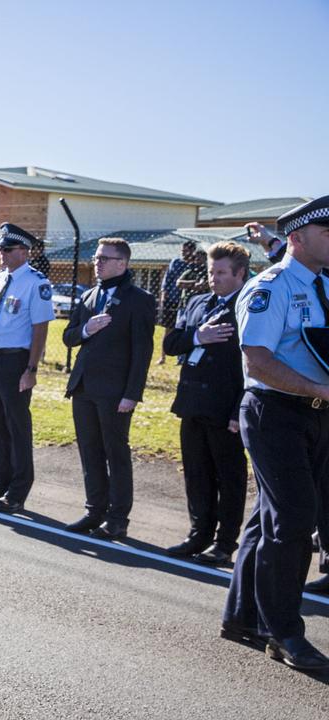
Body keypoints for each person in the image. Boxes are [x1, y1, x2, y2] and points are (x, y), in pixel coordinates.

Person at [220, 195, 329, 672]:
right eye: (328, 233)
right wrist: (319, 389)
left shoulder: (326, 285)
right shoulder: (271, 286)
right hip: (276, 412)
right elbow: (258, 361)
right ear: (296, 238)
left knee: (268, 519)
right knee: (293, 521)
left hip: (318, 411)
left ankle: (241, 615)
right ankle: (282, 631)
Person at [61, 237, 155, 540]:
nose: (96, 263)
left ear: (122, 263)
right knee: (90, 451)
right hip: (84, 386)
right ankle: (94, 510)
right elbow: (69, 337)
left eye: (104, 258)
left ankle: (117, 519)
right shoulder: (89, 295)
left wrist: (131, 393)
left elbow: (142, 351)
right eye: (97, 257)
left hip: (115, 391)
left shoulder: (139, 299)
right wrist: (88, 329)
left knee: (115, 452)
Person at [162, 241, 250, 565]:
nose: (214, 278)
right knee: (196, 473)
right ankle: (198, 533)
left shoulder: (247, 306)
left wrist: (238, 410)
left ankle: (225, 543)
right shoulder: (198, 302)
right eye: (211, 272)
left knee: (228, 476)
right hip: (193, 402)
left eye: (221, 273)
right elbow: (171, 343)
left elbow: (253, 364)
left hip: (225, 406)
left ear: (240, 274)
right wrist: (198, 336)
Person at [0, 224, 54, 512]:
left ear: (24, 252)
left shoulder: (35, 282)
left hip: (16, 360)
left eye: (7, 249)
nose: (0, 254)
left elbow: (40, 328)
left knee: (16, 426)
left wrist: (31, 368)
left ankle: (17, 491)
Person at [158, 242, 196, 364]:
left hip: (186, 302)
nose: (184, 253)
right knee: (168, 329)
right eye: (183, 251)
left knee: (184, 329)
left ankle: (181, 358)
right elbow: (167, 280)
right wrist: (164, 296)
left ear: (192, 251)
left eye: (186, 251)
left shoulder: (194, 265)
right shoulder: (175, 262)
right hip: (172, 300)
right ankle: (162, 357)